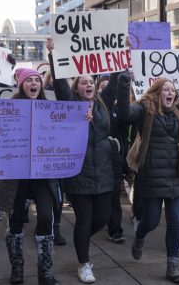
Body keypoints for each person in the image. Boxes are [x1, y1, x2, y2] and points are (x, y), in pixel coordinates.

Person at [117, 72, 179, 284]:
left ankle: (173, 265)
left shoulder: (176, 115)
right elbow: (123, 114)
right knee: (152, 220)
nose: (171, 92)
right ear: (157, 92)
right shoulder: (143, 110)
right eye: (166, 89)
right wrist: (122, 84)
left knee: (175, 221)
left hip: (176, 176)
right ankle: (140, 235)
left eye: (173, 90)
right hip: (152, 176)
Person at [47, 38, 117, 284]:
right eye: (83, 82)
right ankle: (84, 263)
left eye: (91, 82)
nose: (88, 84)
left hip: (104, 173)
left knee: (103, 218)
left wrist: (123, 54)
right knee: (85, 219)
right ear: (76, 89)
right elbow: (59, 83)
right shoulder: (70, 104)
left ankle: (82, 241)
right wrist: (54, 55)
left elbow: (118, 79)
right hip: (78, 172)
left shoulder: (102, 103)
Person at [0, 68, 61, 285]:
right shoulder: (9, 107)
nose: (34, 83)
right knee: (15, 221)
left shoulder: (50, 108)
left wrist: (83, 119)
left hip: (42, 177)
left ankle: (45, 273)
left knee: (45, 218)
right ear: (21, 85)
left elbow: (66, 129)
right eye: (29, 80)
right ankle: (17, 268)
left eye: (37, 80)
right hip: (17, 177)